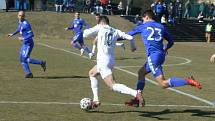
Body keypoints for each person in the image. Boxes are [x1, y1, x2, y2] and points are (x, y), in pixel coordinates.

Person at [125, 10, 202, 107]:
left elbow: (127, 35)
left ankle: (188, 81)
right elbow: (171, 41)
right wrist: (165, 48)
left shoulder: (144, 26)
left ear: (147, 17)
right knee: (141, 72)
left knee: (163, 83)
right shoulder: (161, 26)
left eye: (143, 19)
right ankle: (137, 98)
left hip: (153, 57)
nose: (143, 21)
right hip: (161, 55)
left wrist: (114, 37)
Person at [83, 15, 144, 109]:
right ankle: (96, 99)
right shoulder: (115, 31)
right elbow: (130, 38)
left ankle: (135, 93)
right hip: (110, 61)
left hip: (103, 61)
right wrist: (133, 47)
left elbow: (85, 34)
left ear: (102, 22)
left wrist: (84, 31)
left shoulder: (100, 27)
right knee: (92, 73)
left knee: (112, 85)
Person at [8, 11, 46, 78]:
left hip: (29, 44)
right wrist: (13, 34)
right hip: (25, 43)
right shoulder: (20, 22)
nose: (20, 17)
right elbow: (19, 28)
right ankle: (29, 74)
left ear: (24, 16)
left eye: (22, 16)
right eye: (19, 15)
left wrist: (23, 38)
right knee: (21, 59)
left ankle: (42, 63)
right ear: (17, 16)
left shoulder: (26, 24)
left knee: (25, 59)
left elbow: (31, 34)